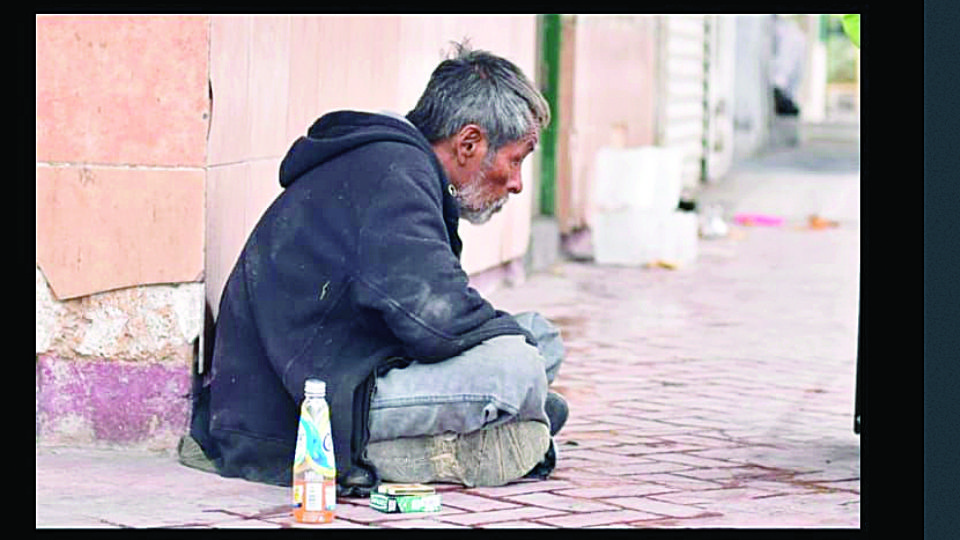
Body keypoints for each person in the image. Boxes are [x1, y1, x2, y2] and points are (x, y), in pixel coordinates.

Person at [178, 42, 569, 497]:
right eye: (516, 159)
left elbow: (427, 318)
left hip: (355, 369)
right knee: (517, 366)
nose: (518, 183)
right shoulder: (394, 175)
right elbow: (438, 321)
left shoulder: (399, 167)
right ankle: (492, 425)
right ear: (469, 143)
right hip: (299, 411)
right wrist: (511, 368)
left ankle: (511, 413)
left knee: (539, 338)